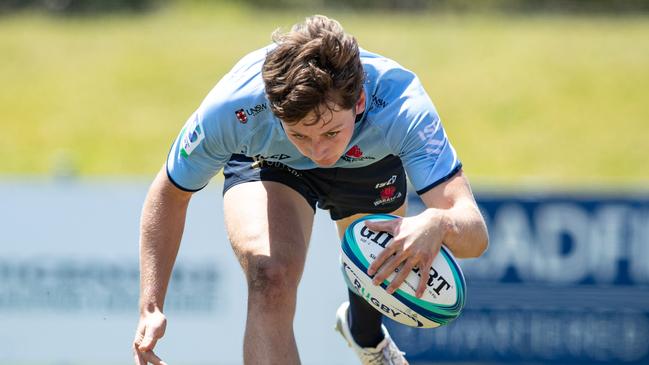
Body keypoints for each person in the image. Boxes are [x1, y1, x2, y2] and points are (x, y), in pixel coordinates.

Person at [132, 14, 488, 365]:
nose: (319, 152)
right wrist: (150, 307)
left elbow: (475, 234)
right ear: (275, 110)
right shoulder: (232, 110)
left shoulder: (403, 108)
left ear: (359, 102)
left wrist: (439, 223)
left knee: (375, 267)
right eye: (300, 133)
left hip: (370, 161)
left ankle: (366, 337)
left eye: (331, 132)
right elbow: (169, 193)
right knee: (270, 278)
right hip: (272, 162)